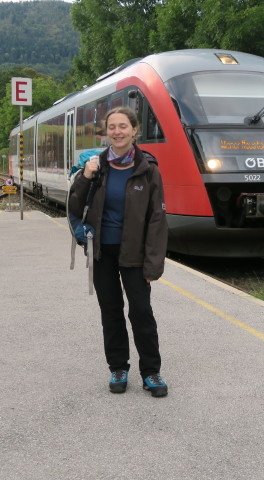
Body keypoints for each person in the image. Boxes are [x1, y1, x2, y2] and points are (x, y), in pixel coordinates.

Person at [68, 106, 169, 397]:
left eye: (123, 126)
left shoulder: (148, 169)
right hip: (102, 253)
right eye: (112, 127)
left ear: (134, 130)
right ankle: (118, 367)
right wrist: (85, 177)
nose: (117, 131)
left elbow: (157, 219)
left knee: (141, 312)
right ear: (106, 131)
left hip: (135, 255)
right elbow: (75, 207)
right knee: (111, 312)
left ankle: (151, 372)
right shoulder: (96, 166)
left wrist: (153, 265)